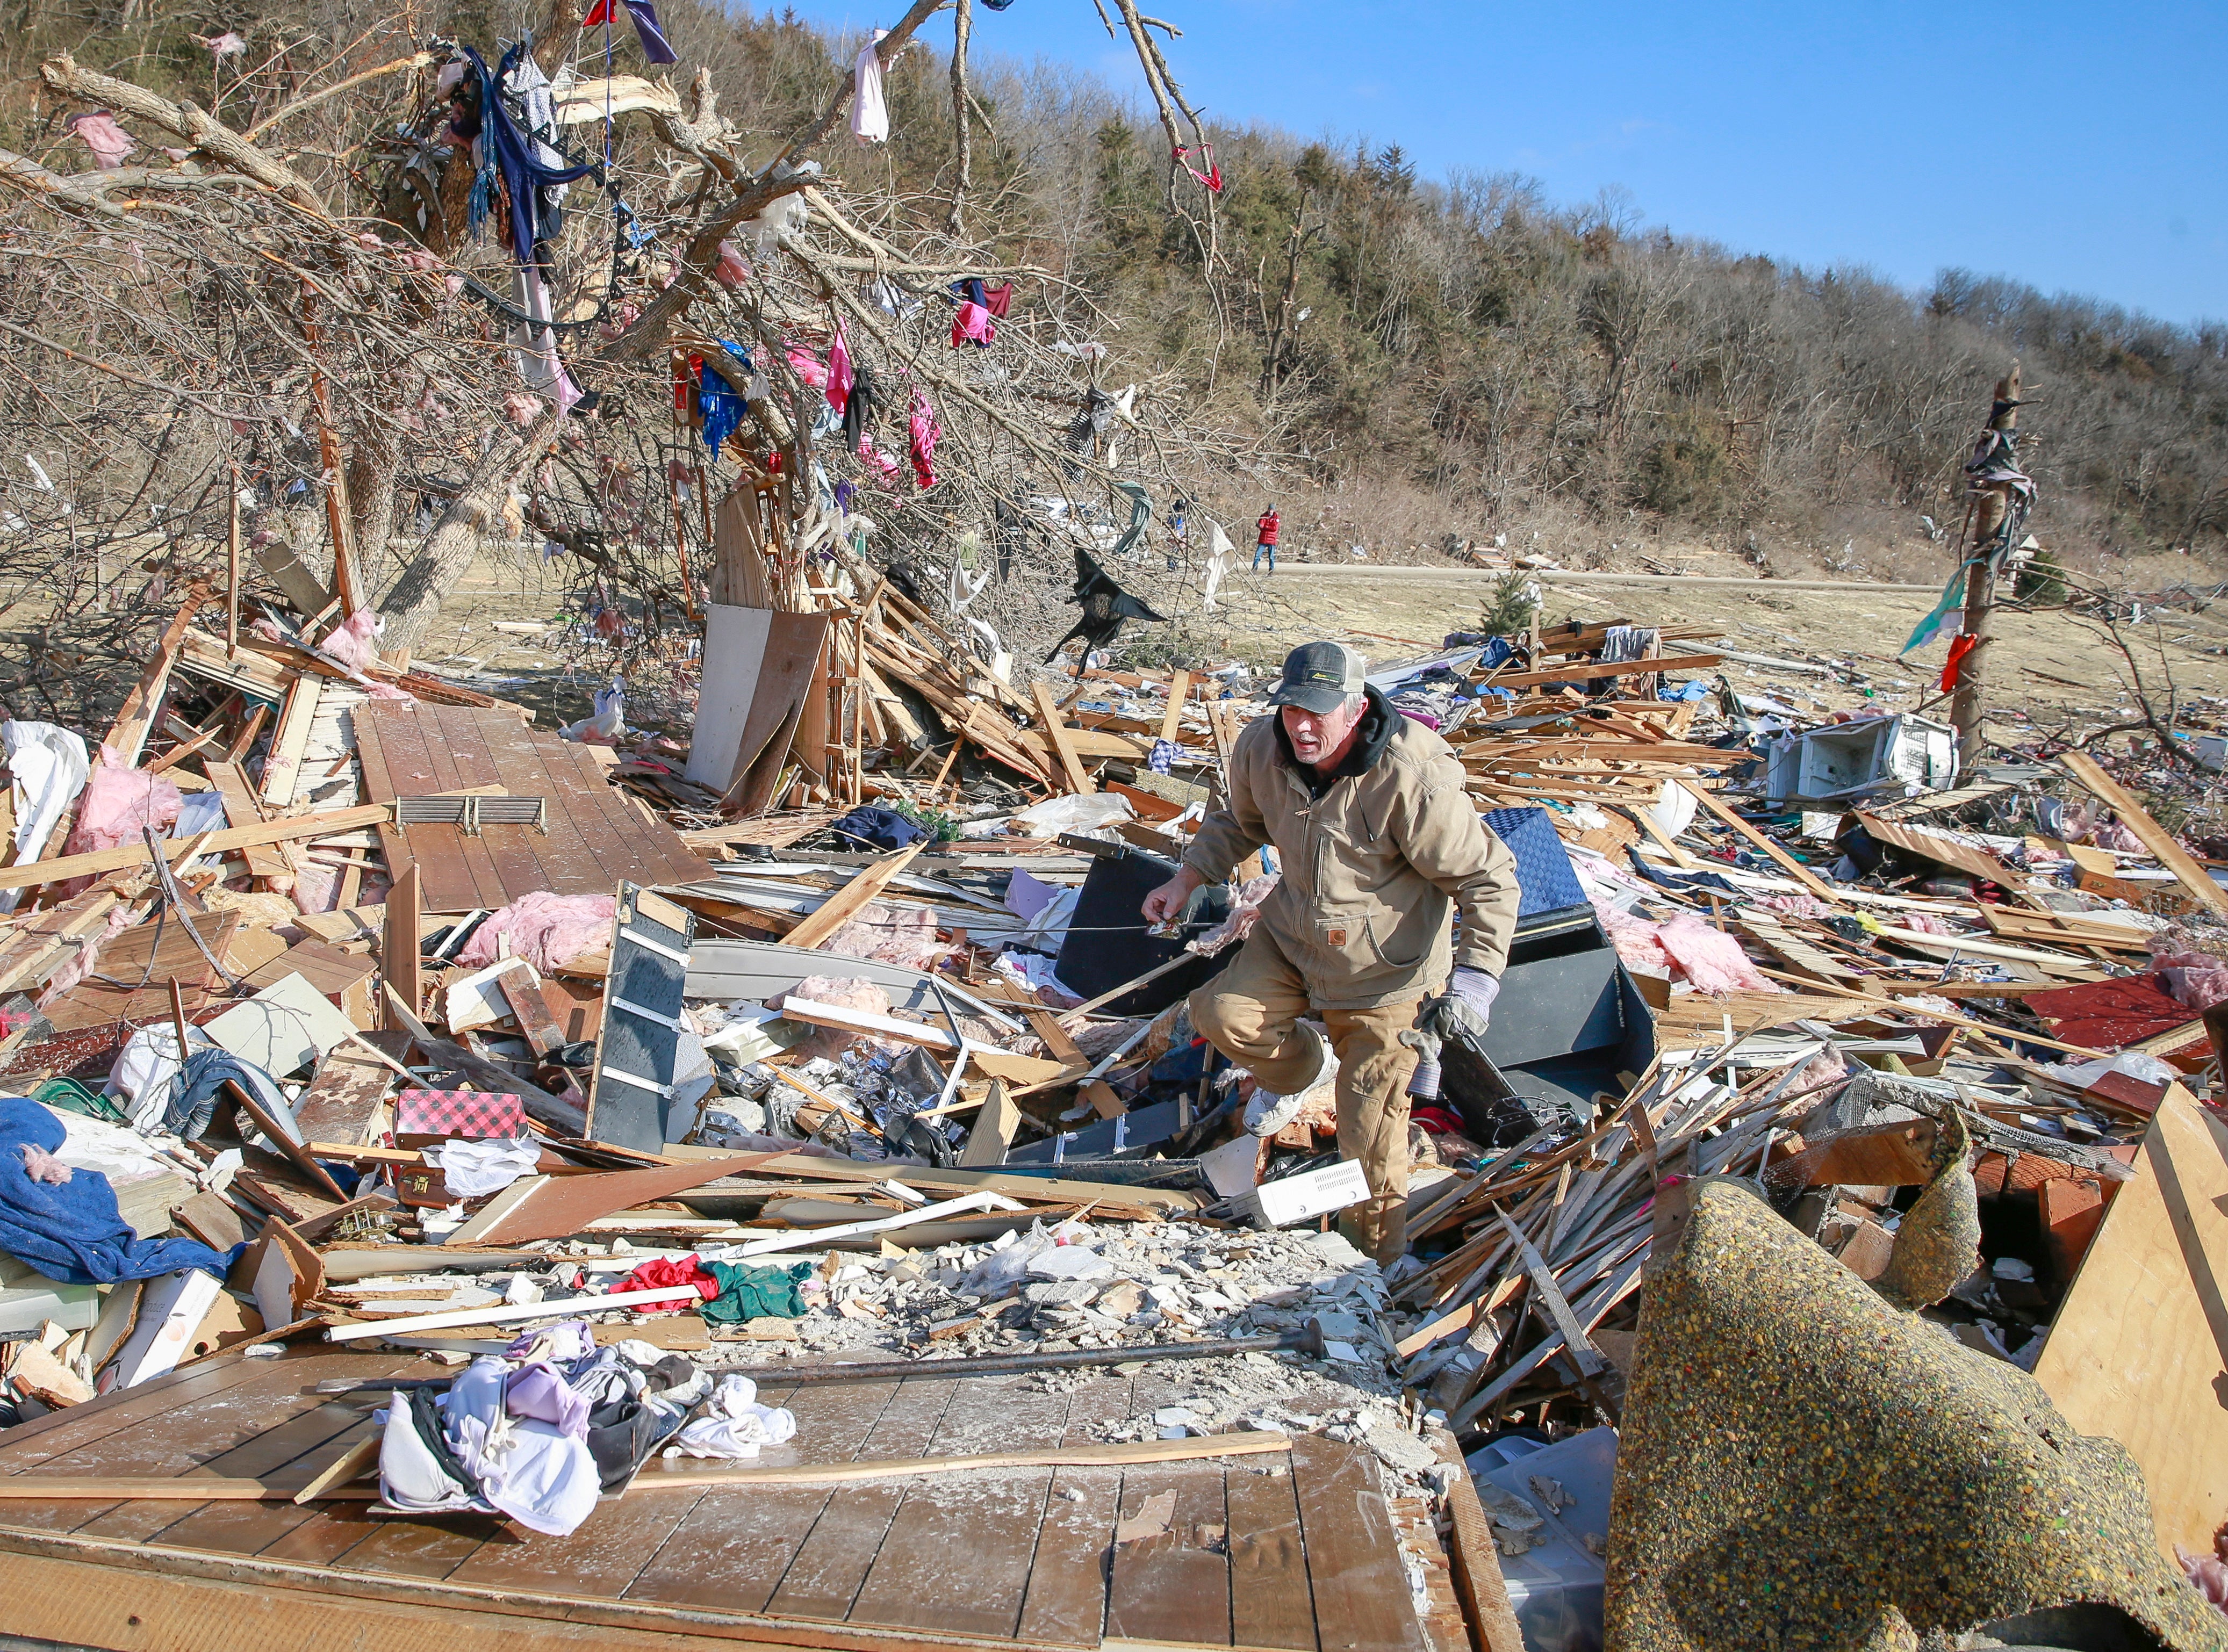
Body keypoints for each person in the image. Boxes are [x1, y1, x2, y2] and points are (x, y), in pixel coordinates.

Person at [1140, 641, 1520, 1263]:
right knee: (1220, 1014)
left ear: (1356, 706)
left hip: (1387, 976)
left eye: (1319, 712)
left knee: (1368, 1143)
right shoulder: (1263, 747)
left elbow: (1488, 879)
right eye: (1293, 709)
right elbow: (1237, 822)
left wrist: (1476, 980)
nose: (1303, 726)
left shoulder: (1411, 774)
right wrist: (1185, 880)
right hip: (1293, 939)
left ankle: (1370, 1274)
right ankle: (1305, 1068)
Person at [1253, 504, 1280, 572]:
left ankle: (1271, 571)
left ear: (1274, 511)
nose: (1271, 511)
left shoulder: (1276, 518)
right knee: (1257, 555)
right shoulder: (1263, 516)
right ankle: (1254, 569)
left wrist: (1266, 527)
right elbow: (1262, 525)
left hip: (1272, 540)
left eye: (1272, 510)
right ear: (1268, 509)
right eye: (1270, 510)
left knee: (1271, 557)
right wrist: (1260, 526)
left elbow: (1275, 528)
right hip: (1263, 539)